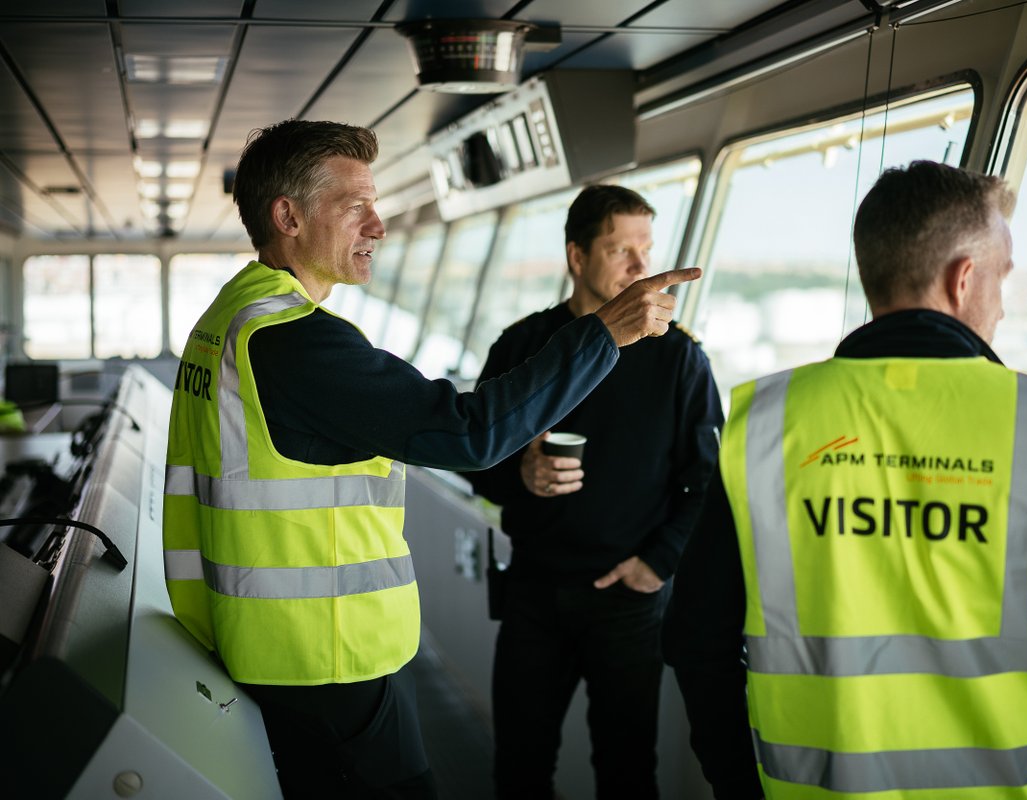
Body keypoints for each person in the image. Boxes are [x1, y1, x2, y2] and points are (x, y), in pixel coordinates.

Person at [161, 119, 699, 798]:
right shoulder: (291, 341)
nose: (378, 226)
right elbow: (467, 434)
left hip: (271, 645)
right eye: (355, 206)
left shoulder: (230, 318)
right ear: (287, 216)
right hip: (319, 655)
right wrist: (603, 336)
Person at [662, 160, 1027, 800]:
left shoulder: (769, 423)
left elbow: (698, 642)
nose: (1001, 307)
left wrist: (740, 789)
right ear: (963, 278)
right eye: (1002, 277)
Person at [465, 184, 723, 800]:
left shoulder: (681, 359)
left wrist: (658, 563)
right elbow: (475, 454)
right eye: (621, 250)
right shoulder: (522, 346)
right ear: (577, 257)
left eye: (646, 250)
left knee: (629, 772)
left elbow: (711, 479)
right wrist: (517, 475)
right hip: (534, 594)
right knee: (520, 769)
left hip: (628, 603)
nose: (642, 269)